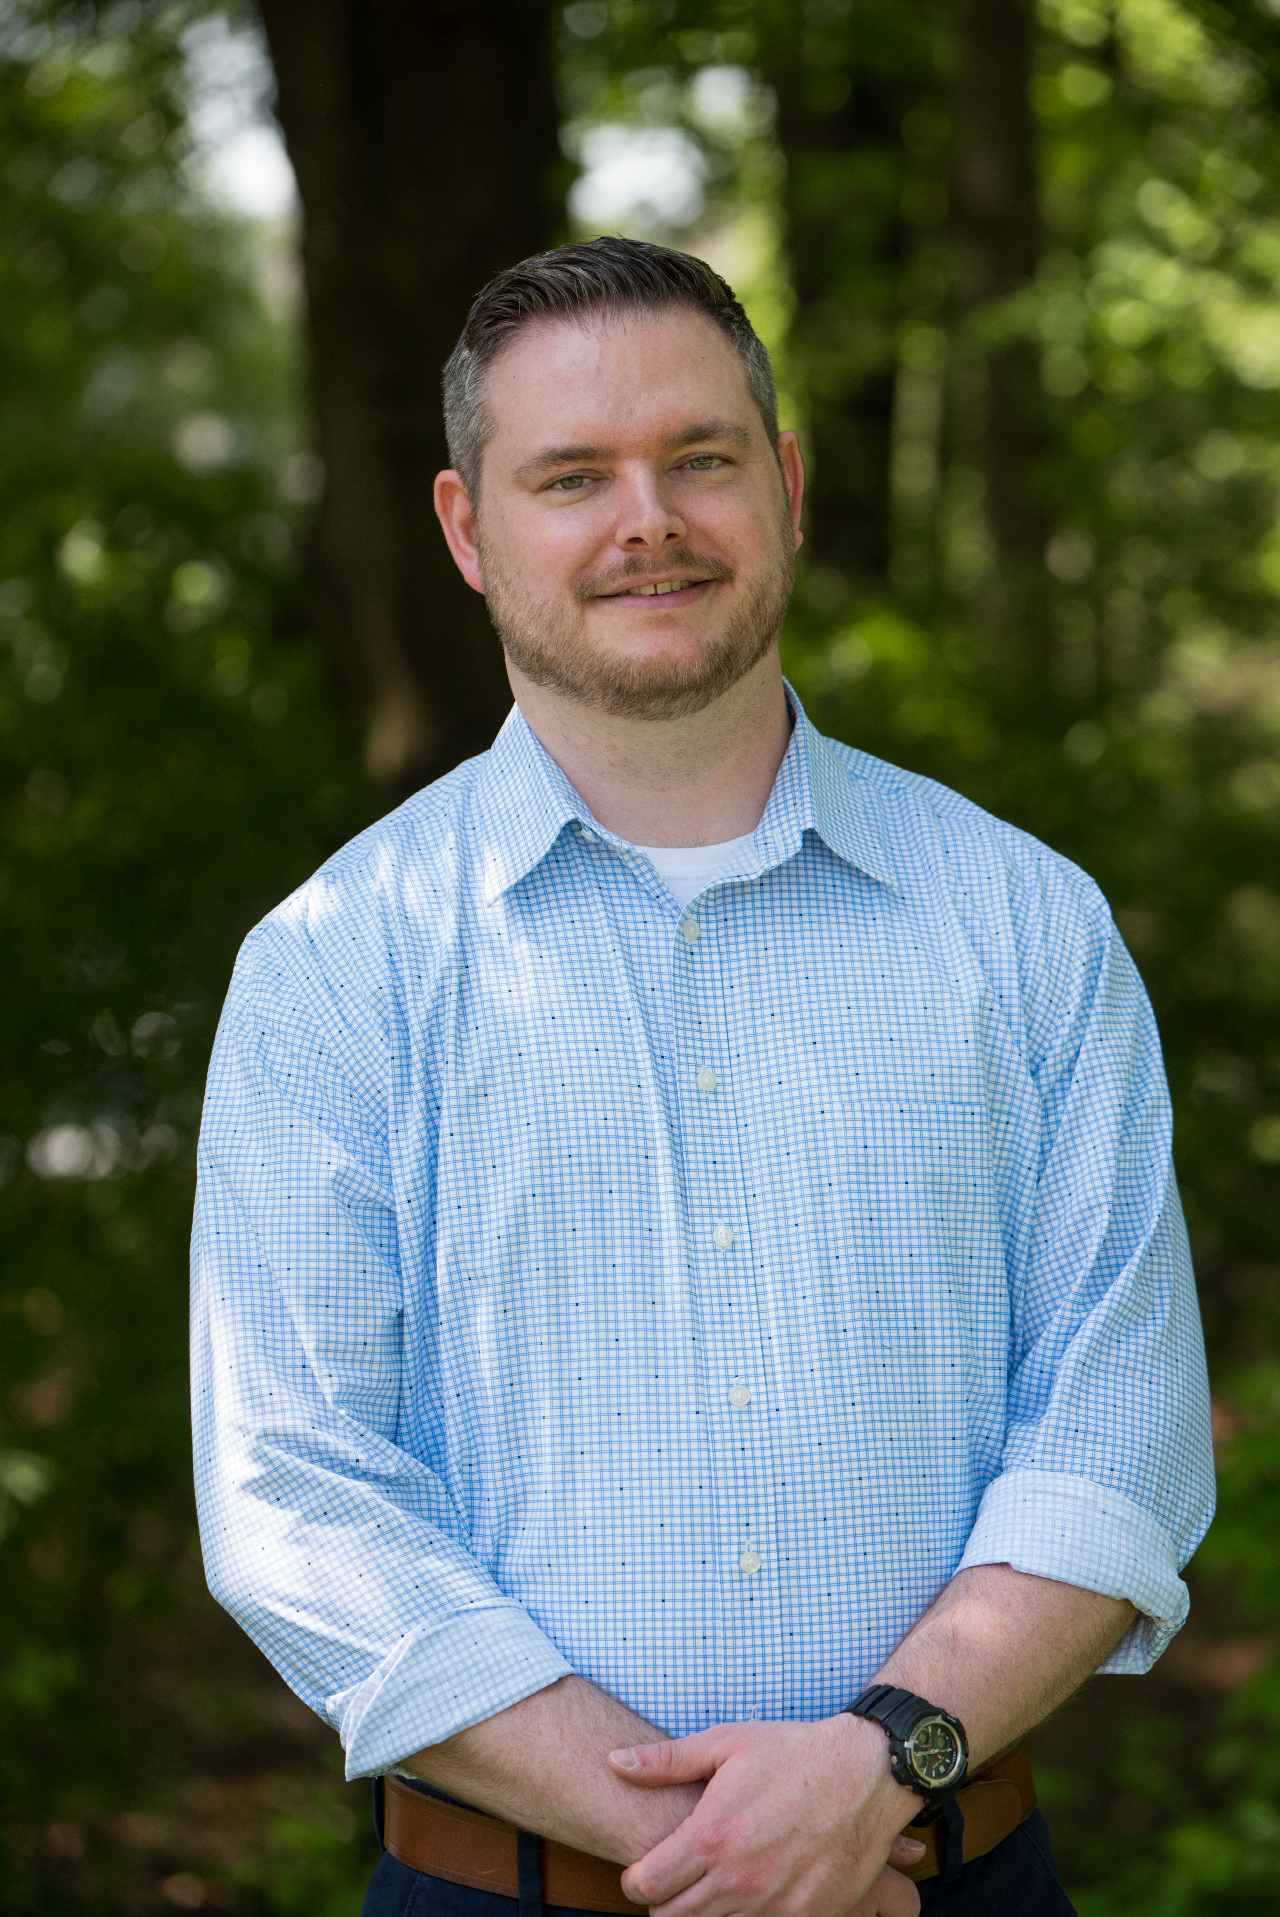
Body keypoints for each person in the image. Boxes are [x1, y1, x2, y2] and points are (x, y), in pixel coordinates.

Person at [191, 236, 1215, 1917]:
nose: (644, 519)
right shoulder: (338, 961)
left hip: (946, 1873)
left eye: (701, 459)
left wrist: (874, 1763)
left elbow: (1120, 1431)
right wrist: (735, 1846)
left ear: (788, 487)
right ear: (468, 527)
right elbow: (298, 1493)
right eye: (572, 474)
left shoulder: (1025, 918)